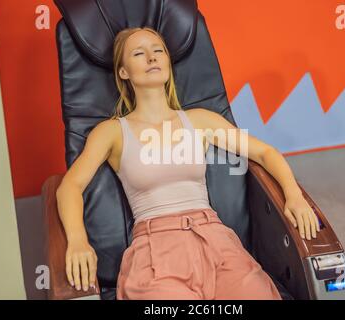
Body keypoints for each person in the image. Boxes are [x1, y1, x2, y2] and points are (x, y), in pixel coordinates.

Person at [56, 26, 321, 300]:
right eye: (139, 53)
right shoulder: (111, 131)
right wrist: (77, 241)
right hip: (155, 250)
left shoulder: (199, 120)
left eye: (158, 50)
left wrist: (294, 195)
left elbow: (265, 153)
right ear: (123, 72)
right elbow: (70, 187)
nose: (152, 57)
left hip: (216, 240)